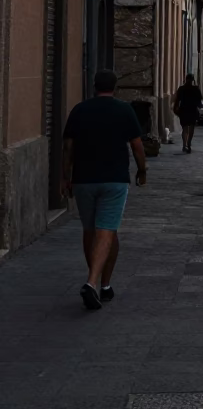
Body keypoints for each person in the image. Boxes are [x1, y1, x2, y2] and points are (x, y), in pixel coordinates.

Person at [61, 69, 147, 311]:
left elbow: (68, 147)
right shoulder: (124, 109)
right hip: (114, 180)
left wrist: (64, 177)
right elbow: (137, 145)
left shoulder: (79, 110)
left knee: (93, 230)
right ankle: (92, 282)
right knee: (107, 229)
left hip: (84, 180)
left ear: (94, 86)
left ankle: (105, 285)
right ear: (115, 87)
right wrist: (142, 171)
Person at [174, 73, 203, 154]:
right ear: (193, 80)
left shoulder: (181, 89)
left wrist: (175, 109)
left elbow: (177, 100)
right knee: (191, 128)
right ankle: (188, 144)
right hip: (192, 110)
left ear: (186, 79)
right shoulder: (196, 89)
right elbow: (199, 101)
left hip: (184, 109)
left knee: (185, 128)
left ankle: (184, 145)